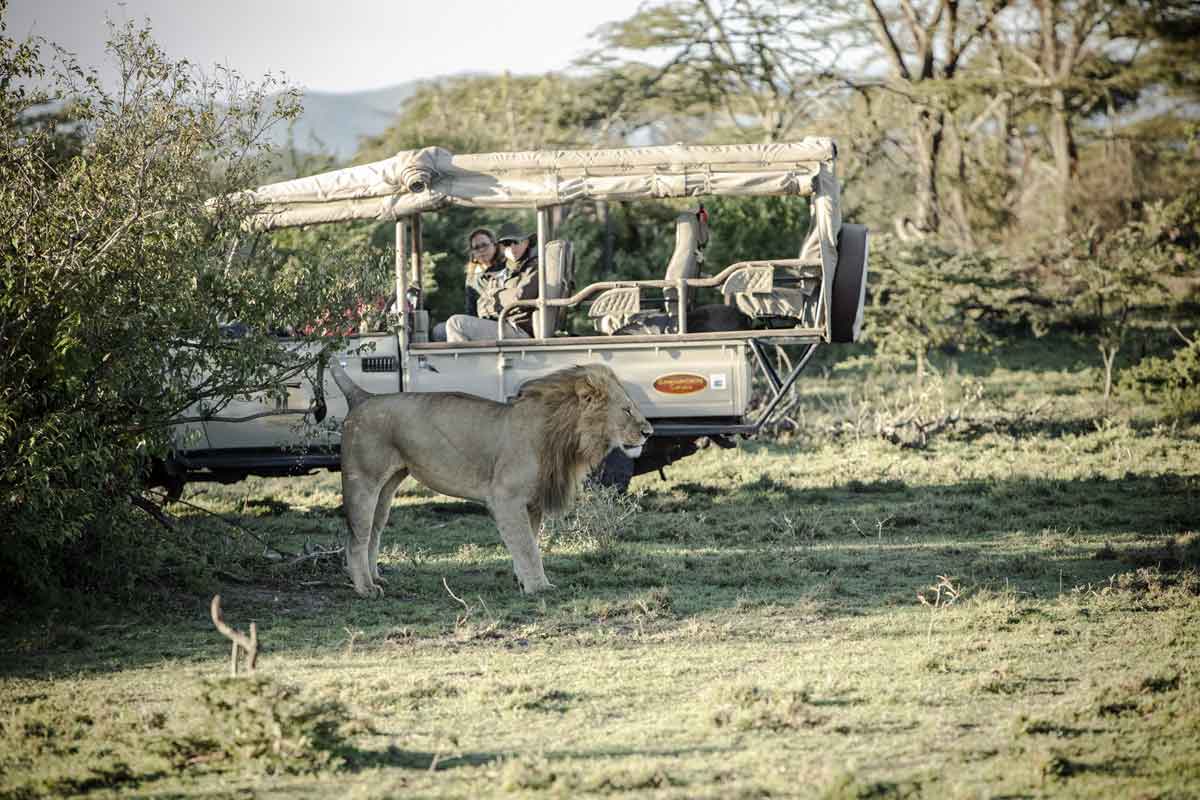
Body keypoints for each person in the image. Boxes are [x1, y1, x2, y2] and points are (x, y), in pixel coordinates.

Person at [444, 221, 539, 342]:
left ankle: (465, 361)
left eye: (516, 242)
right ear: (501, 247)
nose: (512, 247)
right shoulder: (508, 269)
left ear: (526, 243)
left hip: (519, 328)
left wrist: (493, 296)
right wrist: (494, 299)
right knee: (441, 330)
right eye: (507, 243)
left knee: (456, 323)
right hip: (500, 323)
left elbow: (519, 297)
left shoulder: (533, 266)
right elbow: (478, 307)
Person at [431, 227, 501, 342]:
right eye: (476, 247)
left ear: (494, 245)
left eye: (485, 245)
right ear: (472, 252)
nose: (481, 250)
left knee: (455, 323)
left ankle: (465, 359)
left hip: (497, 322)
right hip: (479, 320)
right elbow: (470, 307)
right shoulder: (472, 275)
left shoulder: (504, 268)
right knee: (438, 331)